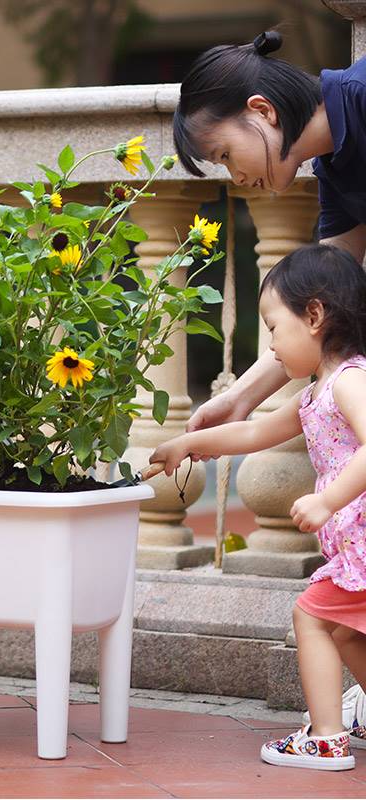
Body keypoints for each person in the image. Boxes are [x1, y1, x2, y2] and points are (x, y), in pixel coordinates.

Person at [174, 28, 366, 739]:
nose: (237, 176)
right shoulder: (338, 175)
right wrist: (241, 397)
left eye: (226, 154)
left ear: (263, 111)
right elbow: (326, 312)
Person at [147, 244, 366, 770]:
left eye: (273, 328)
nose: (271, 344)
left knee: (310, 617)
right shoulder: (316, 392)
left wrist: (328, 498)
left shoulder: (351, 381)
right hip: (355, 543)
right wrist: (187, 445)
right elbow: (254, 430)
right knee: (343, 629)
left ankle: (326, 737)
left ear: (313, 316)